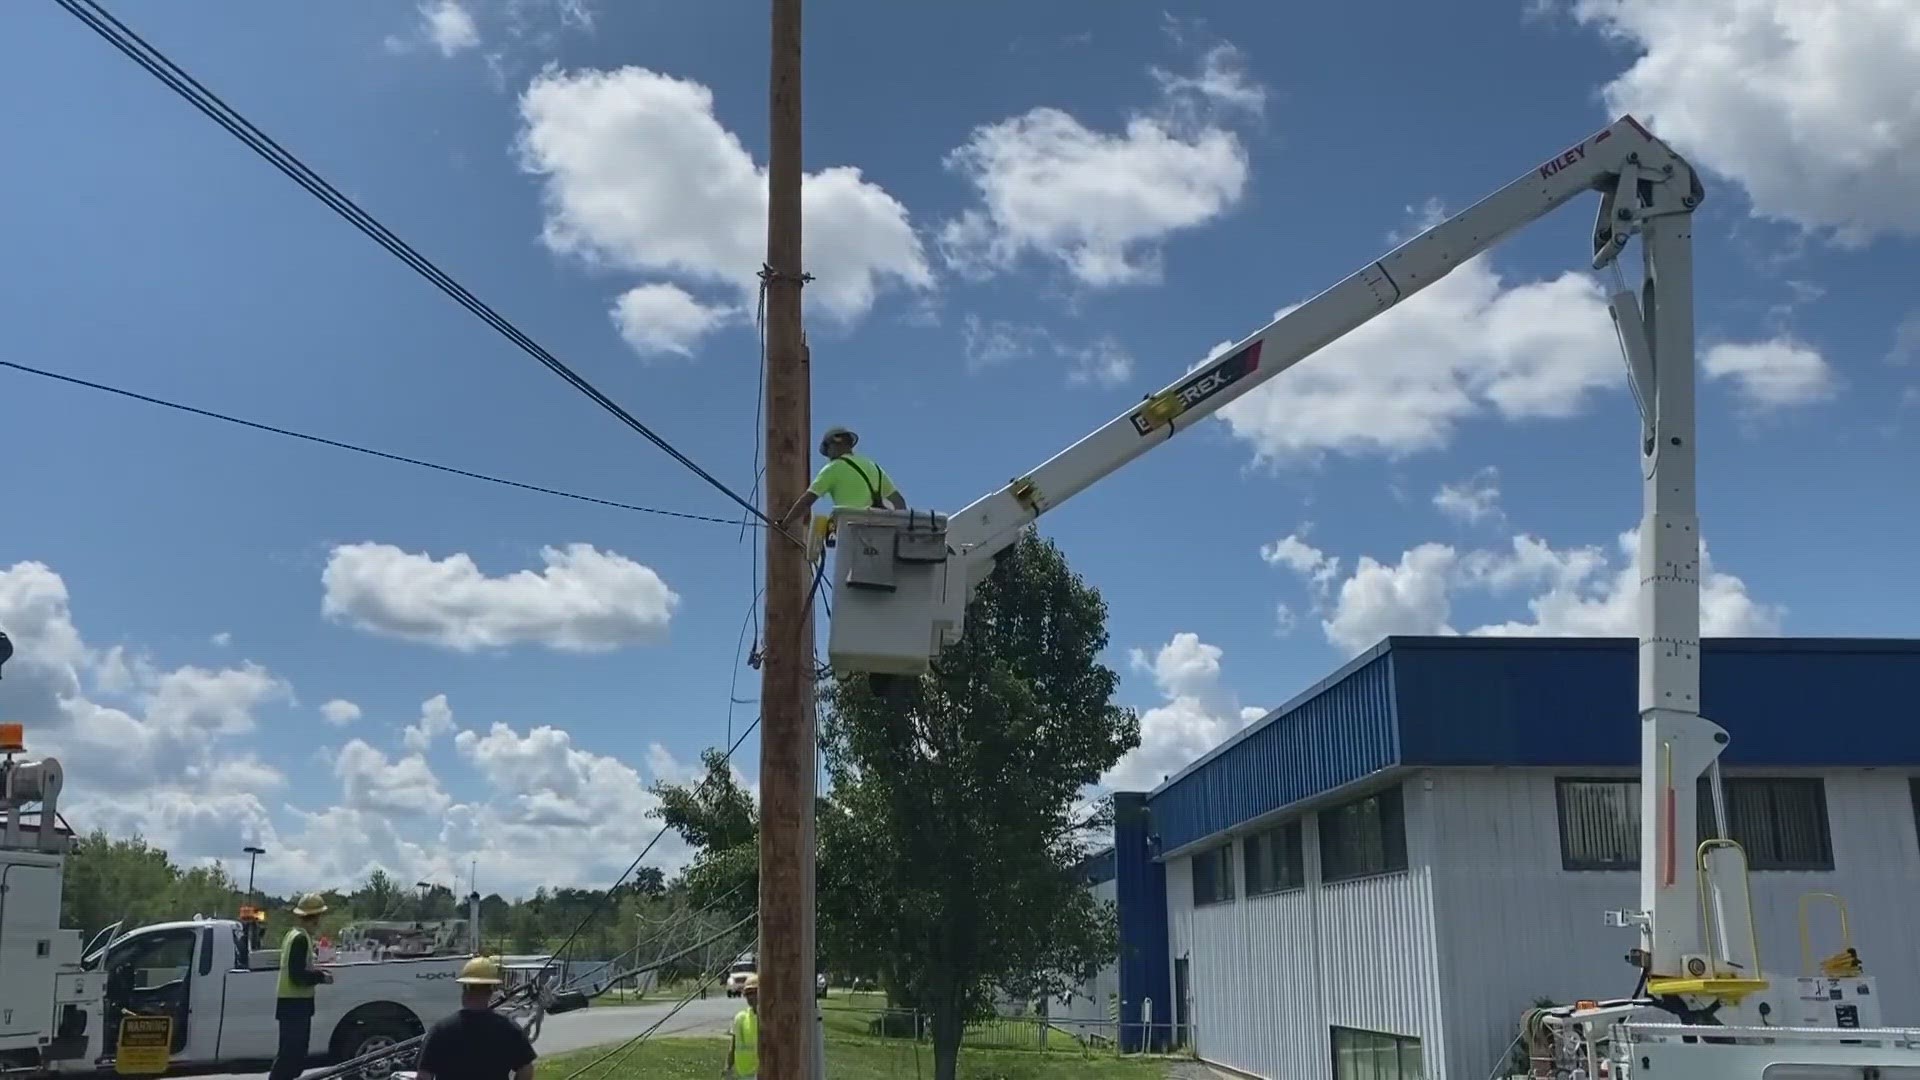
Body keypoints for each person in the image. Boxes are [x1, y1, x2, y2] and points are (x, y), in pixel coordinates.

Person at [415, 957, 537, 1080]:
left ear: (465, 989)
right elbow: (526, 1069)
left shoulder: (440, 1031)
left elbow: (423, 1076)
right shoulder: (510, 1029)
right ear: (491, 991)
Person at [784, 426, 905, 529]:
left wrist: (785, 523)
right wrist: (900, 528)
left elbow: (807, 500)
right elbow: (899, 501)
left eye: (828, 450)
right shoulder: (873, 466)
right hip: (879, 532)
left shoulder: (832, 468)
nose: (829, 456)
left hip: (850, 533)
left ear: (832, 445)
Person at [269, 894, 334, 1080]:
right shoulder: (300, 939)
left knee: (292, 1057)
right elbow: (297, 975)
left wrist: (316, 972)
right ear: (315, 918)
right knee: (290, 1057)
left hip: (292, 1005)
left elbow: (297, 969)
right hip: (295, 1006)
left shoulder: (294, 935)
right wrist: (321, 977)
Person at [724, 974, 760, 1080]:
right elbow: (733, 1046)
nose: (751, 997)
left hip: (761, 1073)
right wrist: (728, 1068)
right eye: (748, 994)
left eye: (754, 992)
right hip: (743, 1074)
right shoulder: (740, 1018)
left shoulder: (769, 1020)